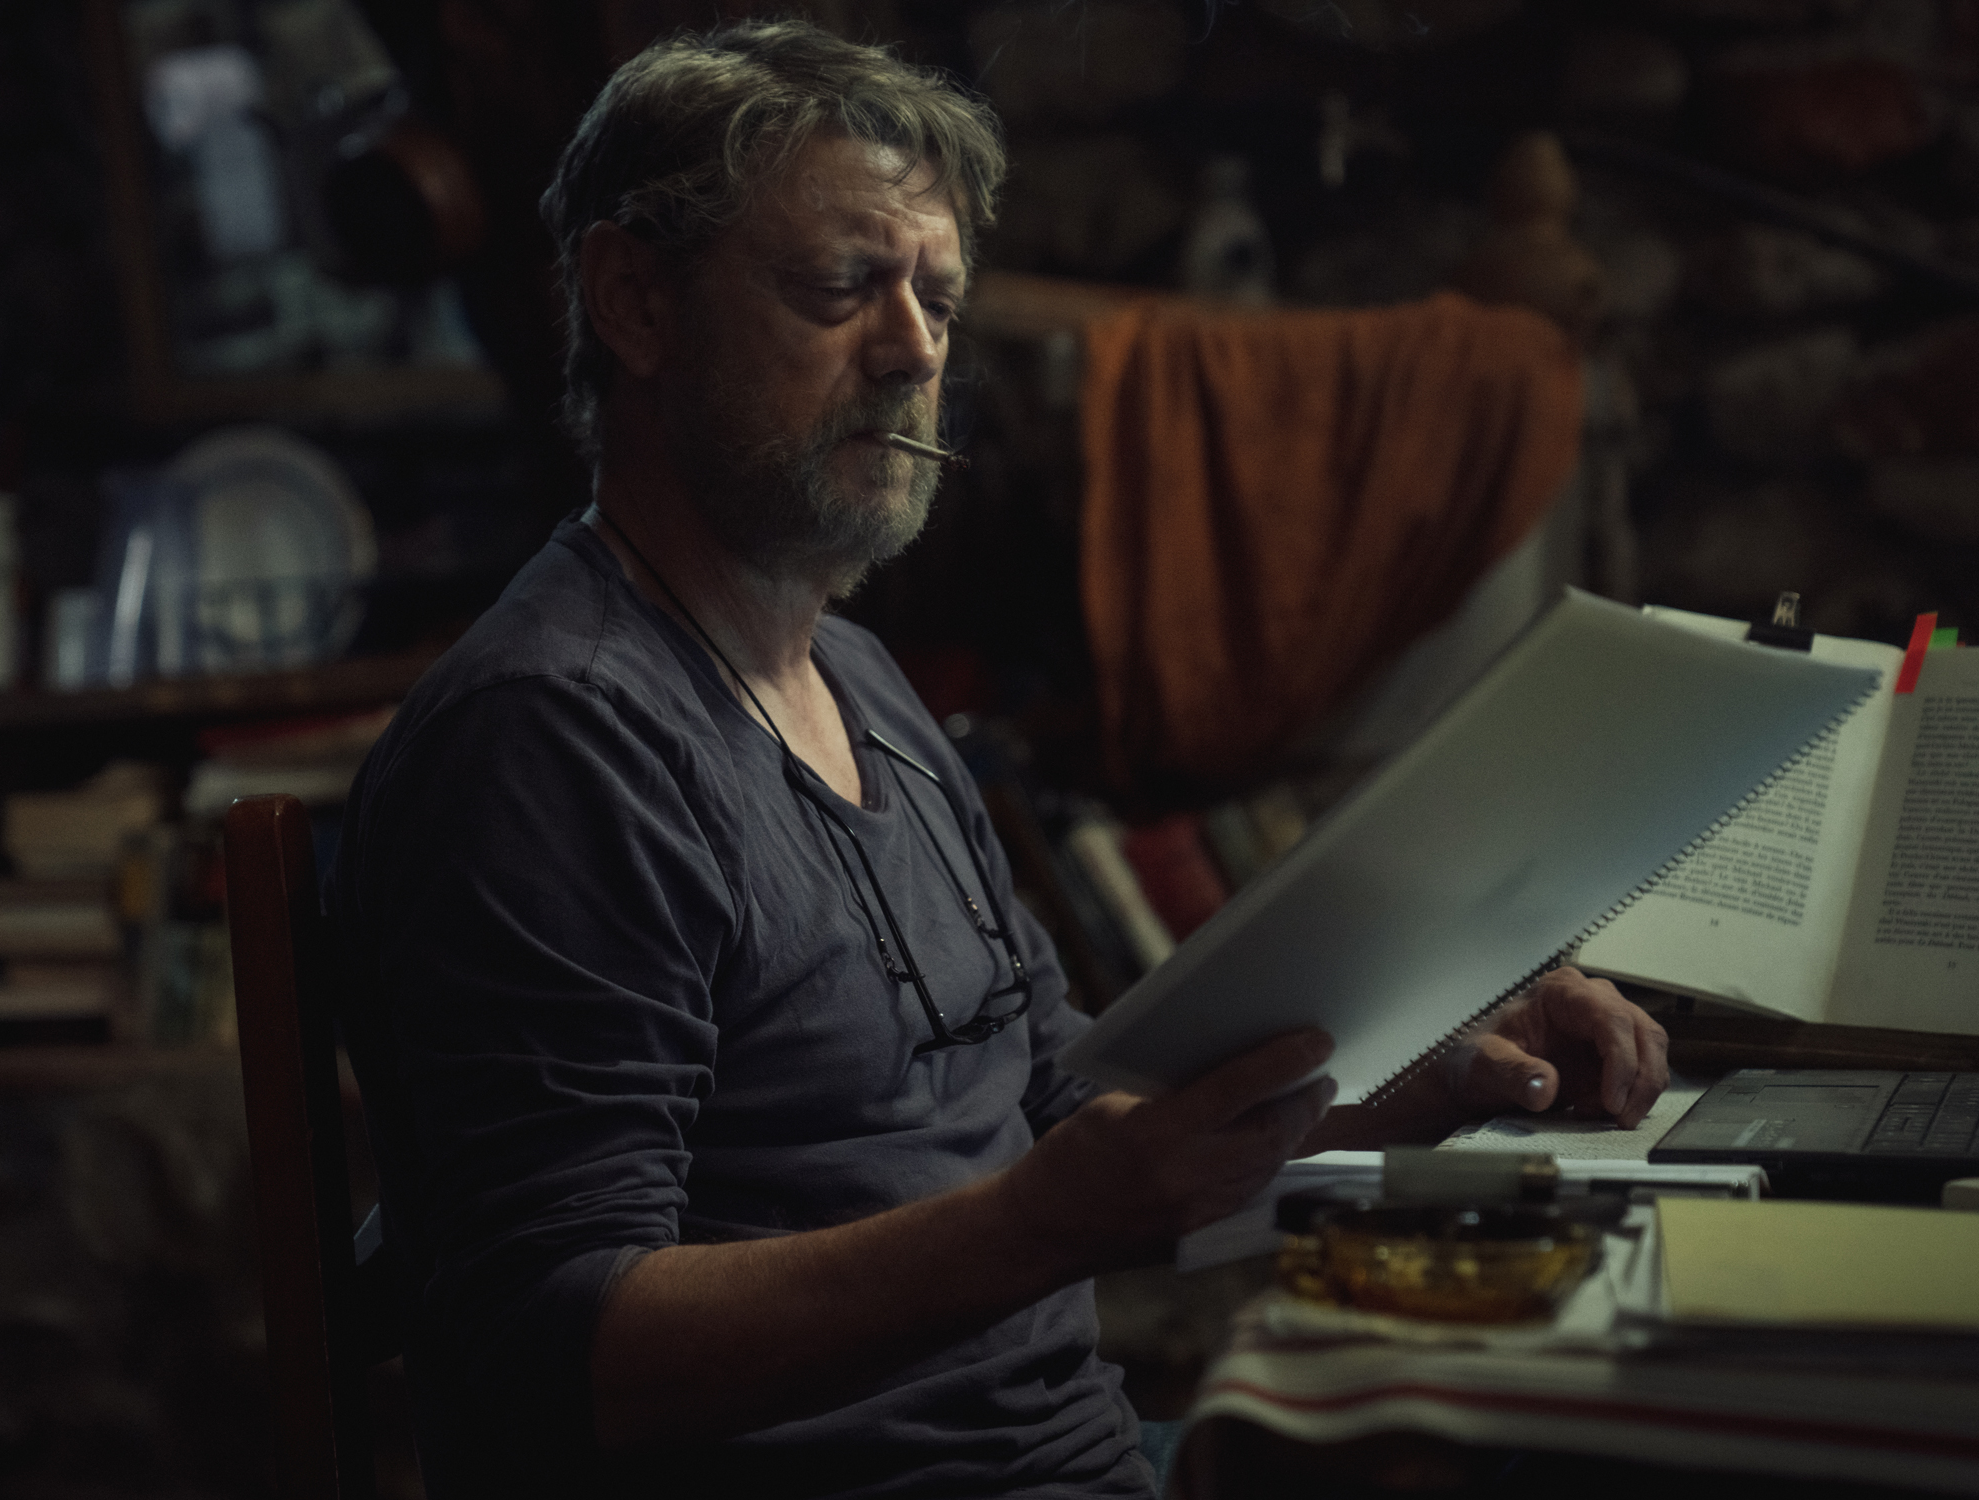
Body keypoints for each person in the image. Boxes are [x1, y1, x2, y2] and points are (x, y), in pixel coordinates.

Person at [330, 20, 1669, 1499]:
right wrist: (1042, 1224)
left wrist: (1428, 1075)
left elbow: (1063, 1126)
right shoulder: (550, 741)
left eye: (937, 298)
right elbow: (554, 1358)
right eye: (841, 286)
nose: (914, 351)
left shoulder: (860, 677)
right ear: (634, 300)